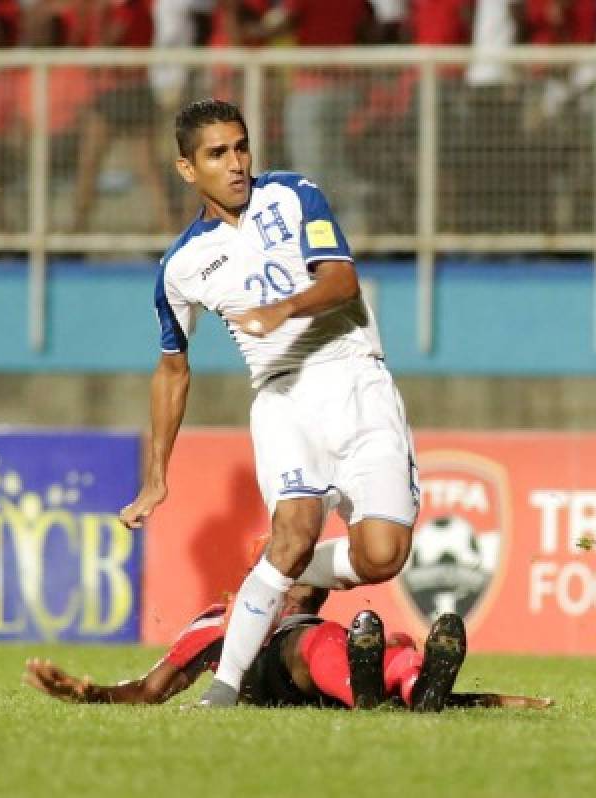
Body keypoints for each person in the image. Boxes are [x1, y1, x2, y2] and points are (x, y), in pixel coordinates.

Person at [118, 99, 420, 708]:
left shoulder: (292, 194)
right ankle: (223, 691)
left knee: (383, 556)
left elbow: (341, 279)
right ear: (186, 169)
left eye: (240, 147)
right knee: (295, 527)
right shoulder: (181, 266)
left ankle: (290, 570)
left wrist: (282, 309)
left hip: (357, 381)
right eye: (216, 153)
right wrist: (155, 478)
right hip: (284, 396)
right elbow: (171, 370)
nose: (235, 163)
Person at [25, 586, 552, 712]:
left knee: (384, 648)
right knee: (327, 644)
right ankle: (391, 687)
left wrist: (493, 699)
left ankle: (419, 688)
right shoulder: (223, 620)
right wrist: (89, 692)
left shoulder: (326, 627)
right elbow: (152, 689)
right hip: (278, 668)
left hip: (324, 673)